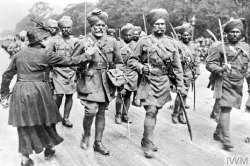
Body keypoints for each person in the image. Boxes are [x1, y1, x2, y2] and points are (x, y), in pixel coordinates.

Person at [0, 28, 92, 166]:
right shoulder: (46, 54)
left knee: (24, 124)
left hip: (21, 90)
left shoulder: (18, 55)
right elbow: (69, 61)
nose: (49, 40)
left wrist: (4, 95)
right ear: (41, 40)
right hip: (40, 90)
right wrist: (88, 55)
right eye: (46, 38)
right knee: (47, 119)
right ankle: (49, 146)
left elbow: (7, 75)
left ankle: (25, 158)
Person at [127, 8, 183, 158]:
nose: (160, 27)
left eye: (163, 24)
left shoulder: (172, 43)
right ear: (152, 25)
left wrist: (180, 85)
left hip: (164, 81)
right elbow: (131, 60)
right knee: (150, 111)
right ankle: (147, 144)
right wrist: (141, 67)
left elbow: (177, 66)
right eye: (157, 24)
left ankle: (146, 138)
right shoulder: (143, 41)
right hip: (148, 81)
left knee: (156, 111)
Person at [73, 9, 123, 155]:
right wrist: (85, 57)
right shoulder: (83, 42)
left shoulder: (112, 41)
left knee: (101, 112)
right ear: (91, 27)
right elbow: (73, 62)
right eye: (97, 25)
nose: (100, 28)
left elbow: (119, 62)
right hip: (89, 79)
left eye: (102, 25)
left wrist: (118, 75)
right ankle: (87, 134)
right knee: (90, 111)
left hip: (106, 81)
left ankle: (98, 142)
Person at [206, 18, 250, 150]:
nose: (235, 34)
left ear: (241, 34)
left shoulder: (246, 48)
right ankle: (226, 139)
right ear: (227, 33)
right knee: (225, 108)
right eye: (232, 32)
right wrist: (221, 68)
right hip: (224, 80)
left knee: (229, 107)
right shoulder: (219, 47)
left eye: (237, 32)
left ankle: (218, 132)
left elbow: (247, 67)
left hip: (238, 82)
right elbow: (209, 64)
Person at [47, 16, 78, 128]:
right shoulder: (53, 41)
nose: (66, 30)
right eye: (63, 28)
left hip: (71, 72)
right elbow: (47, 56)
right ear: (60, 28)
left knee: (69, 96)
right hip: (57, 71)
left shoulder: (75, 41)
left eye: (68, 27)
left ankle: (66, 118)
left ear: (71, 28)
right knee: (58, 95)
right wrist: (50, 72)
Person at [172, 22, 200, 124]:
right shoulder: (177, 45)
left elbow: (197, 59)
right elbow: (173, 58)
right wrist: (182, 59)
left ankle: (181, 114)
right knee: (180, 93)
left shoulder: (194, 46)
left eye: (188, 35)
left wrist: (197, 72)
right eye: (184, 35)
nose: (186, 37)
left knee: (184, 94)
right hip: (180, 72)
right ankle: (175, 114)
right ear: (181, 36)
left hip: (189, 72)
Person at [115, 23, 138, 124]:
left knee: (128, 96)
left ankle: (125, 114)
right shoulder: (118, 44)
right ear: (122, 35)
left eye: (130, 35)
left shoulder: (137, 45)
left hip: (133, 74)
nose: (128, 37)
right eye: (126, 35)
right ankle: (118, 114)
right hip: (121, 72)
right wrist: (119, 75)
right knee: (120, 94)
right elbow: (115, 61)